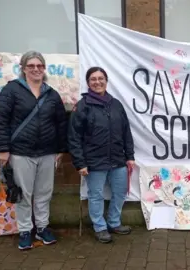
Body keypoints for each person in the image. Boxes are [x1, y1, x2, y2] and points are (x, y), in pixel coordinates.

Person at [0, 50, 68, 250]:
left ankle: (42, 228)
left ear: (44, 69)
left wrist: (61, 148)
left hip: (47, 152)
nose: (36, 69)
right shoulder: (11, 91)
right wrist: (2, 149)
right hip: (20, 152)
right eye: (31, 66)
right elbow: (1, 121)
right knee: (23, 194)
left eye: (40, 66)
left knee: (44, 193)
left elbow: (61, 123)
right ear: (23, 69)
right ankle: (25, 230)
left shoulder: (52, 94)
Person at [68, 67, 135, 243]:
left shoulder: (116, 104)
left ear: (106, 80)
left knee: (120, 193)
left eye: (100, 78)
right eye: (93, 79)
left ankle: (114, 222)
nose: (97, 82)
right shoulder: (82, 106)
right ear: (88, 82)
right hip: (94, 161)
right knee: (96, 195)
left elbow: (126, 132)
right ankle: (100, 227)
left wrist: (130, 156)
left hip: (118, 160)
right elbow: (74, 137)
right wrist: (80, 163)